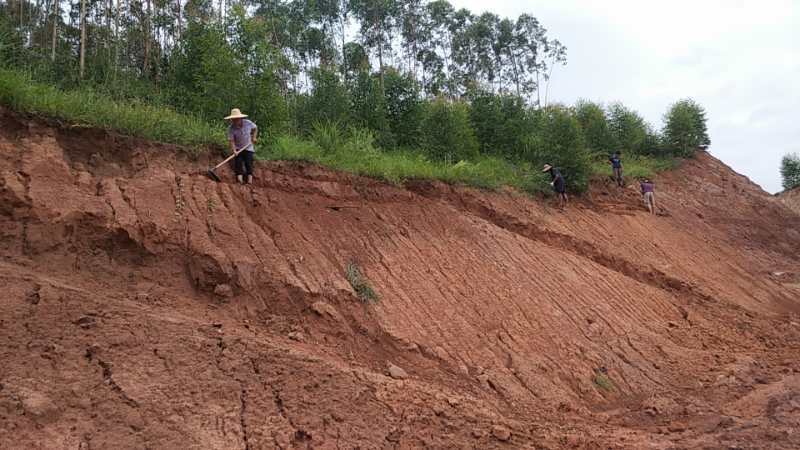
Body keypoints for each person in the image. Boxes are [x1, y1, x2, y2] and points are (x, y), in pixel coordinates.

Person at [224, 108, 258, 185]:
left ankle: (249, 182)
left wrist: (254, 137)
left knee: (248, 163)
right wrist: (234, 150)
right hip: (238, 148)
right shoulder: (231, 128)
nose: (235, 121)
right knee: (238, 163)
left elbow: (255, 128)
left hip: (248, 147)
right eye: (233, 119)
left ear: (240, 118)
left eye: (236, 119)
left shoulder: (248, 123)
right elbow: (231, 141)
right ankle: (240, 181)